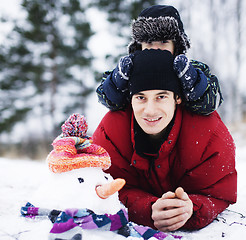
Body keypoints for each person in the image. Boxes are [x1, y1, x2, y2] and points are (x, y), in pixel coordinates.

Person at [93, 49, 237, 232]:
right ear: (130, 99)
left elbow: (219, 193)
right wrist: (145, 208)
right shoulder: (111, 131)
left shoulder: (209, 133)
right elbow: (102, 188)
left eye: (161, 97)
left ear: (177, 98)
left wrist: (192, 208)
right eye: (141, 98)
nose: (150, 110)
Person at [96, 5, 223, 115]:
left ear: (176, 46)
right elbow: (106, 98)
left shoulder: (189, 69)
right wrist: (117, 82)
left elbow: (214, 100)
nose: (156, 48)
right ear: (139, 46)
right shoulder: (132, 69)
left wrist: (193, 83)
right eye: (149, 42)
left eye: (163, 42)